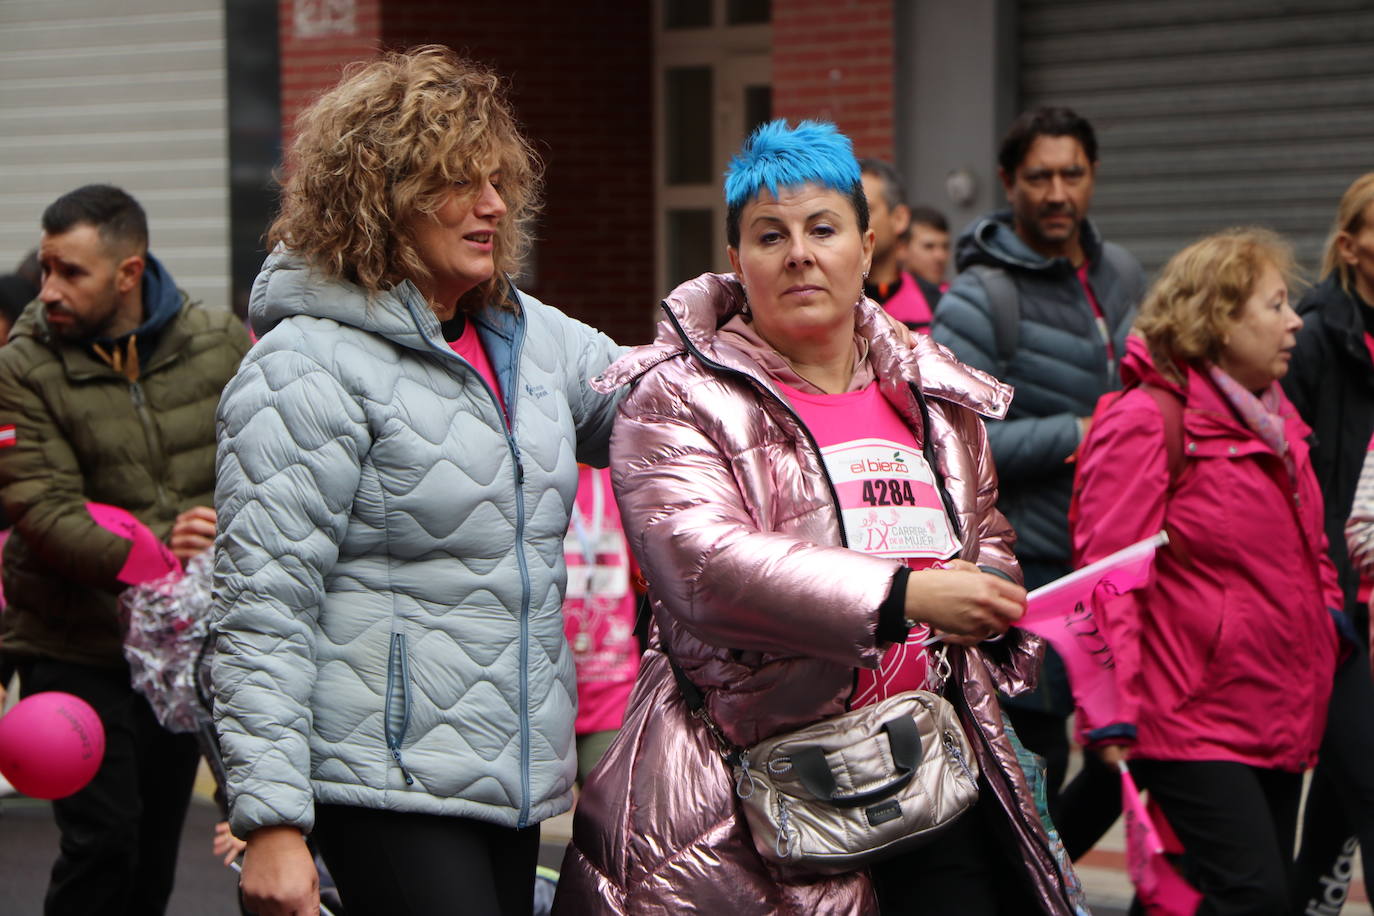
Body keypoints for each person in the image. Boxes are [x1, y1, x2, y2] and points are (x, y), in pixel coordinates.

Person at [554, 119, 1085, 916]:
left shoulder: (933, 394)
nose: (799, 252)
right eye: (771, 235)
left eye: (823, 229)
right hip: (750, 798)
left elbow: (989, 536)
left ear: (867, 248)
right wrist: (905, 594)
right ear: (738, 261)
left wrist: (991, 596)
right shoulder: (676, 399)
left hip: (929, 769)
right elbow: (704, 565)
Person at [211, 47, 622, 916]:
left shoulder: (527, 335)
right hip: (379, 777)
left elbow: (666, 412)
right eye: (457, 182)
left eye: (499, 181)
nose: (493, 205)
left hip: (509, 777)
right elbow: (260, 608)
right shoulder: (303, 365)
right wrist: (273, 822)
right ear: (379, 196)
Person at [1071, 228, 1342, 915]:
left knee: (1192, 896)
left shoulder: (1277, 425)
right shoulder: (1149, 419)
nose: (1295, 323)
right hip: (1188, 714)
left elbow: (1314, 554)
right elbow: (1107, 574)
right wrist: (1109, 713)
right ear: (1219, 321)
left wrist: (1331, 626)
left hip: (1275, 710)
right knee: (1254, 898)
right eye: (1276, 305)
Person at [0, 183, 250, 914]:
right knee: (104, 839)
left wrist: (218, 524)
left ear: (129, 273)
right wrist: (159, 559)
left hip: (179, 652)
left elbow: (266, 468)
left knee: (151, 855)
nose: (47, 290)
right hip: (72, 643)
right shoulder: (23, 364)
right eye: (46, 268)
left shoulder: (218, 341)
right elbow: (39, 506)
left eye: (69, 272)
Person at [930, 106, 1145, 855]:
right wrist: (1083, 436)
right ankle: (1037, 885)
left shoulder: (1120, 273)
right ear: (1008, 183)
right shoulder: (979, 299)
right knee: (1038, 768)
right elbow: (955, 437)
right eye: (1040, 177)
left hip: (1119, 564)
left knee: (1137, 759)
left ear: (1092, 177)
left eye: (1072, 175)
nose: (1058, 192)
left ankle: (1047, 883)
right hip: (1034, 574)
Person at [1281, 171, 1374, 913]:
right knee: (1365, 774)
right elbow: (1289, 477)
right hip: (1336, 603)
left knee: (1346, 800)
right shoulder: (1313, 333)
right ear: (1352, 245)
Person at [563, 464, 641, 784]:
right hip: (541, 694)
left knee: (608, 816)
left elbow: (649, 574)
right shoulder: (535, 476)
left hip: (611, 691)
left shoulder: (620, 481)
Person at [859, 158, 942, 332]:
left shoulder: (936, 304)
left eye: (864, 210)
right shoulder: (829, 304)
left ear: (899, 218)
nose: (855, 222)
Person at [907, 205, 952, 291]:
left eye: (945, 247)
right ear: (903, 248)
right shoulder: (883, 297)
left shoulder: (955, 296)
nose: (940, 256)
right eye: (929, 246)